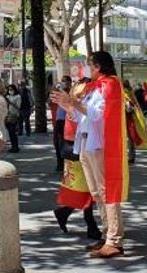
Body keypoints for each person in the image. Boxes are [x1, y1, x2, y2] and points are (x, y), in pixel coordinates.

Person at [51, 51, 128, 259]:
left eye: (90, 65)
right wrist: (66, 104)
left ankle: (114, 239)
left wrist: (73, 102)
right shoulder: (93, 87)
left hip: (100, 145)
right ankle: (107, 235)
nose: (87, 69)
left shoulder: (110, 84)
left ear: (99, 66)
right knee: (96, 192)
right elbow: (81, 115)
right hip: (86, 142)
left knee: (106, 191)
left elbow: (98, 115)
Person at [53, 81, 102, 241]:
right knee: (86, 189)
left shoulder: (74, 106)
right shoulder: (75, 108)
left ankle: (67, 213)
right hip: (77, 149)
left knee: (85, 189)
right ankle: (89, 224)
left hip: (77, 148)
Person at [5, 84, 22, 153]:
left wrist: (10, 102)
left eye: (11, 89)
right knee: (10, 132)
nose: (10, 91)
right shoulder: (8, 96)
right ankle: (13, 146)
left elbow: (18, 107)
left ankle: (16, 146)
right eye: (9, 90)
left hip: (14, 115)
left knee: (13, 131)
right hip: (7, 115)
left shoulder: (18, 97)